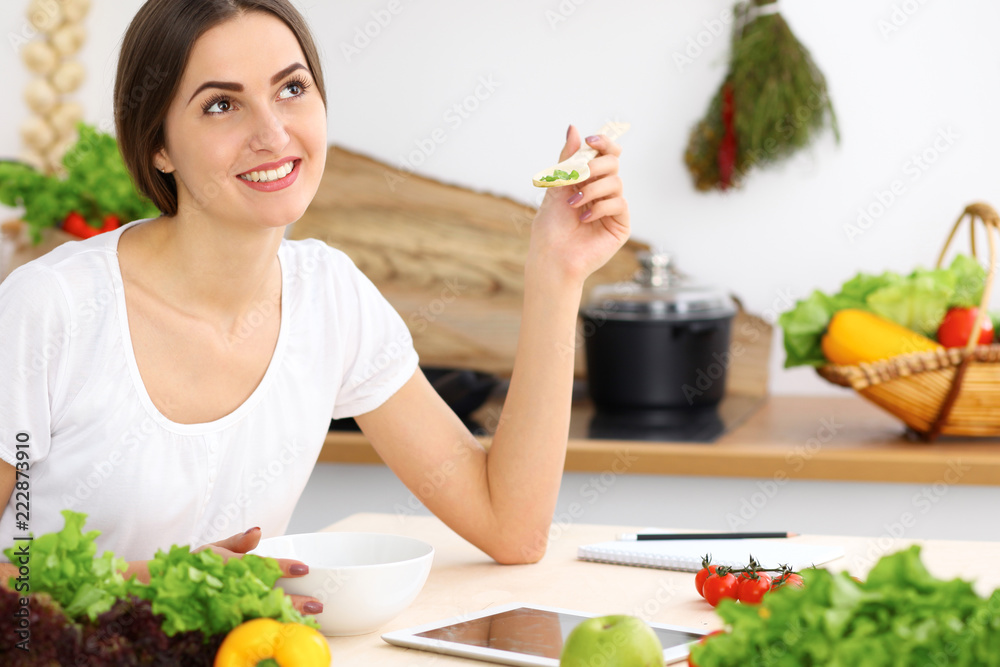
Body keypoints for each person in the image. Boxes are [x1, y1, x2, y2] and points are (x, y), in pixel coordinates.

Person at [0, 0, 629, 617]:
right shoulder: (51, 309)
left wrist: (557, 272)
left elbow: (511, 527)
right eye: (221, 105)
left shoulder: (329, 295)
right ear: (157, 144)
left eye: (291, 89)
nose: (273, 134)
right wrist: (159, 583)